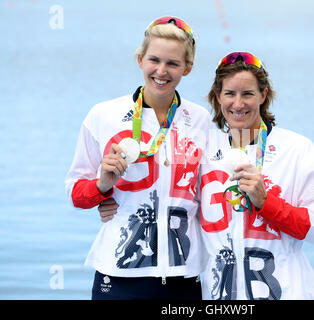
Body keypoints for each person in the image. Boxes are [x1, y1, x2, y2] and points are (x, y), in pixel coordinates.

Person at [64, 16, 212, 300]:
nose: (161, 71)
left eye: (173, 63)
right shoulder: (103, 115)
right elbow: (75, 193)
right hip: (120, 273)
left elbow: (205, 196)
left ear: (188, 68)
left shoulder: (201, 120)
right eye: (154, 60)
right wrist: (102, 187)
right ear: (140, 59)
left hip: (183, 273)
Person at [198, 52, 314, 299]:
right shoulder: (204, 150)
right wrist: (108, 195)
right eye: (230, 94)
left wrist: (266, 202)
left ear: (263, 94)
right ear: (218, 97)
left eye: (247, 94)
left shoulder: (297, 149)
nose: (238, 104)